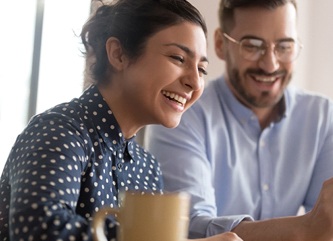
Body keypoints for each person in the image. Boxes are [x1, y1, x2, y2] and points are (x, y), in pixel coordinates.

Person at [0, 0, 243, 240]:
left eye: (201, 69)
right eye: (178, 58)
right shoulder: (60, 131)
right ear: (118, 54)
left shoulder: (147, 168)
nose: (195, 82)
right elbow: (41, 230)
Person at [145, 0, 333, 240]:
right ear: (221, 45)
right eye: (252, 46)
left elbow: (327, 225)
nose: (270, 64)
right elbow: (190, 227)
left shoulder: (323, 117)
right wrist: (304, 230)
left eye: (284, 47)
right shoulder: (182, 112)